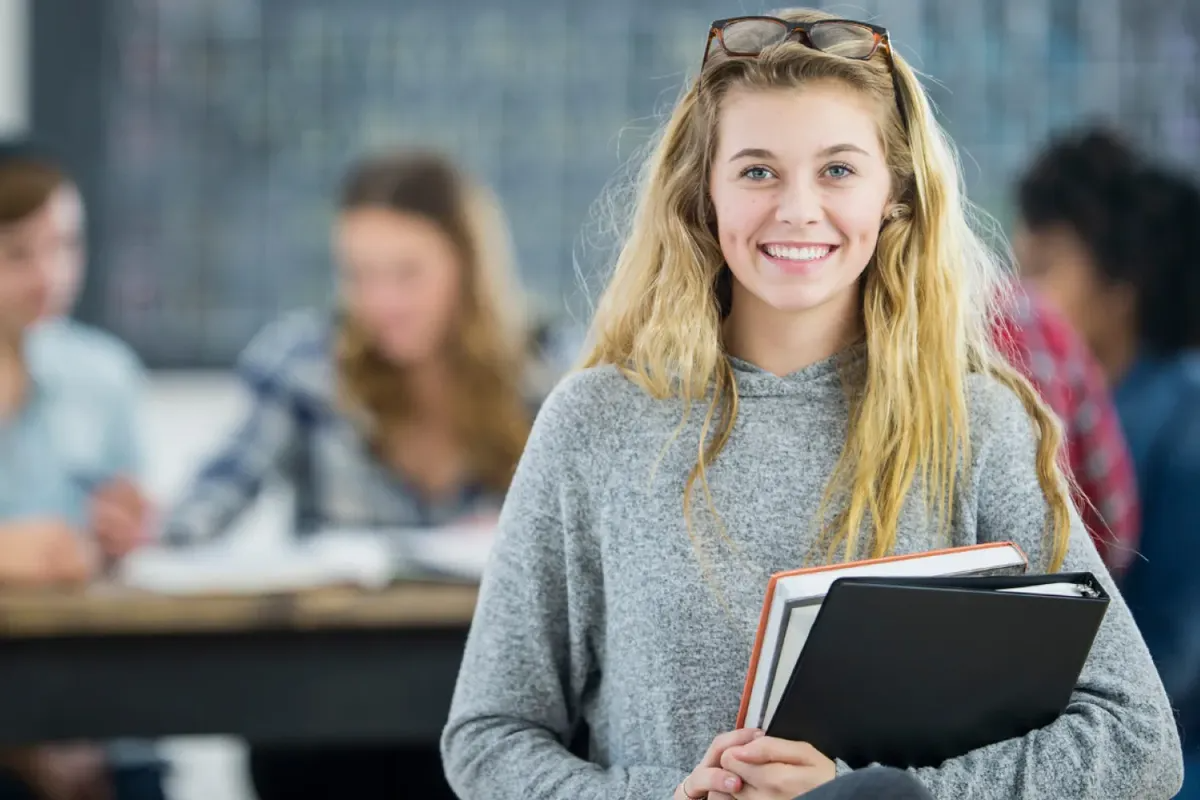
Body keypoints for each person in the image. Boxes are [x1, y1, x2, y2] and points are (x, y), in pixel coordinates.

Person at [440, 9, 1182, 799]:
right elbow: (489, 739)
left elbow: (1139, 740)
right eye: (758, 170)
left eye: (837, 170)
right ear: (705, 195)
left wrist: (880, 791)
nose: (797, 208)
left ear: (894, 194)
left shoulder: (974, 424)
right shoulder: (594, 424)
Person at [161, 150, 539, 799]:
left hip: (483, 694)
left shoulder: (547, 372)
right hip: (325, 705)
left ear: (468, 268)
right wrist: (147, 524)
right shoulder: (305, 364)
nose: (380, 301)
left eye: (407, 273)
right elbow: (201, 512)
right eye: (360, 275)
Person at [1015, 127, 1200, 796]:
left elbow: (1175, 656)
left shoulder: (1185, 421)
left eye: (1044, 269)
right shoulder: (1075, 402)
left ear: (1121, 284)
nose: (1022, 296)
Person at [0, 149, 162, 799]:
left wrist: (128, 535)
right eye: (17, 254)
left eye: (65, 245)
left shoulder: (105, 375)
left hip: (95, 711)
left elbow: (129, 539)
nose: (51, 276)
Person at [992, 284, 1140, 571]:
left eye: (1043, 269)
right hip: (1060, 598)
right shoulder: (1031, 322)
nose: (1025, 278)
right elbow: (1114, 528)